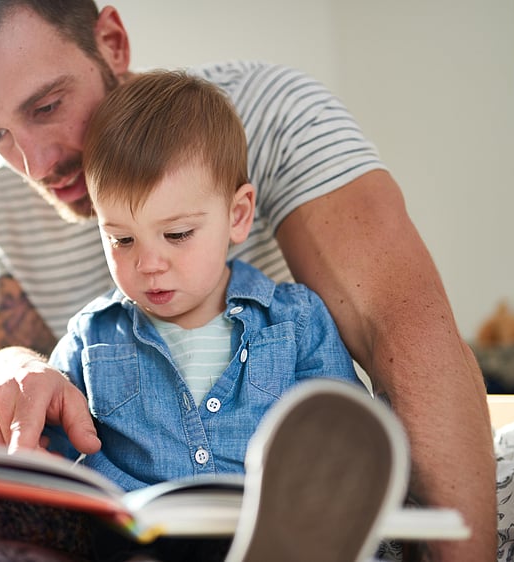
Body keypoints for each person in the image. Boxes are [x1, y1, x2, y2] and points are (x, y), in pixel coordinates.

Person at [0, 1, 495, 561]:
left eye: (46, 107)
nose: (34, 165)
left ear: (112, 41)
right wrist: (14, 374)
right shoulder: (6, 205)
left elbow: (407, 332)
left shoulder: (271, 114)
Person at [43, 69, 364, 490]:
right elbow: (43, 460)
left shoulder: (295, 321)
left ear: (237, 215)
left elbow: (353, 442)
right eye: (121, 239)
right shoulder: (91, 338)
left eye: (177, 235)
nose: (149, 264)